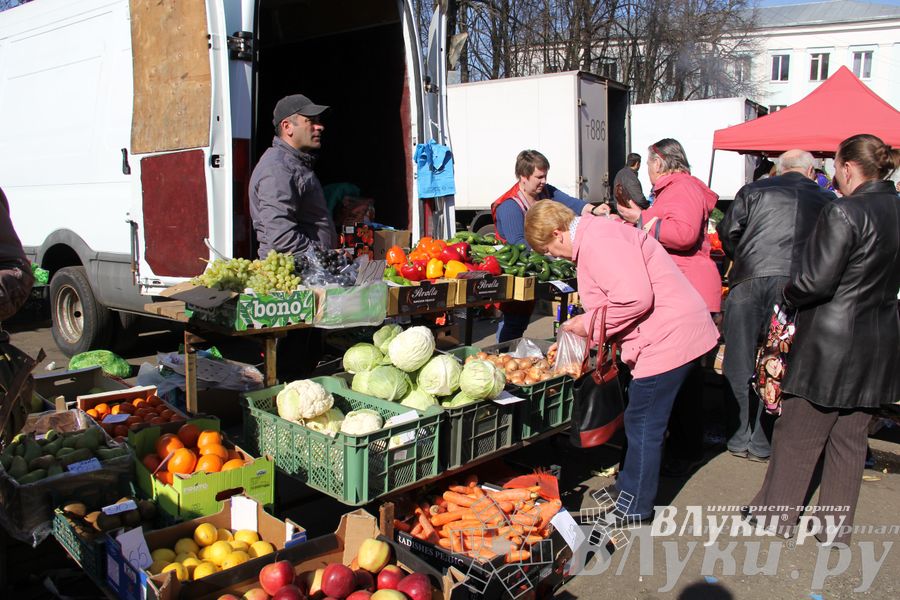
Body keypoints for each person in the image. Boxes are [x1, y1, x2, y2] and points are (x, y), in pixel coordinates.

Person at [747, 134, 899, 545]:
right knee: (849, 441)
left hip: (831, 343)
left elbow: (814, 281)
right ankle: (832, 529)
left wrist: (787, 293)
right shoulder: (896, 208)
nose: (834, 174)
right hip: (879, 342)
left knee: (799, 433)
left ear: (848, 167)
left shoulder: (846, 211)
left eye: (835, 166)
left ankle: (776, 516)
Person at [525, 201, 718, 522]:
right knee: (642, 415)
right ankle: (629, 486)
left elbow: (635, 298)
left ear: (557, 234)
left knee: (644, 421)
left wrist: (586, 324)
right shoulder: (596, 235)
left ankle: (636, 505)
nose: (552, 256)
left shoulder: (598, 243)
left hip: (667, 336)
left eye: (548, 249)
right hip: (672, 329)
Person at [716, 150, 834, 462]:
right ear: (810, 172)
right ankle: (762, 440)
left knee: (738, 359)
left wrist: (743, 256)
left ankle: (737, 436)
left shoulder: (753, 190)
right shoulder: (825, 198)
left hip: (750, 277)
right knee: (778, 362)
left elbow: (728, 232)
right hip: (796, 286)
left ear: (778, 170)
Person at [616, 139, 721, 477]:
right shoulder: (674, 189)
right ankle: (683, 448)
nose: (647, 171)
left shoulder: (684, 188)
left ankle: (683, 451)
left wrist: (642, 218)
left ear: (659, 163)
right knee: (685, 384)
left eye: (649, 165)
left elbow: (684, 233)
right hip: (689, 290)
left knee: (683, 385)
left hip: (691, 291)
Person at [491, 150, 607, 342]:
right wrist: (555, 254)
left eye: (545, 175)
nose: (544, 181)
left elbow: (571, 203)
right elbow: (519, 246)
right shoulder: (510, 206)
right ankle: (502, 354)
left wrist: (594, 209)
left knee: (521, 320)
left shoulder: (545, 192)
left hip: (540, 268)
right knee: (514, 322)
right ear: (523, 177)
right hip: (519, 274)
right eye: (539, 176)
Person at [249, 94, 339, 262]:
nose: (320, 127)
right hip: (295, 273)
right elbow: (281, 236)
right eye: (311, 121)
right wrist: (325, 256)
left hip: (308, 268)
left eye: (319, 121)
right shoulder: (278, 169)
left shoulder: (293, 164)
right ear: (287, 126)